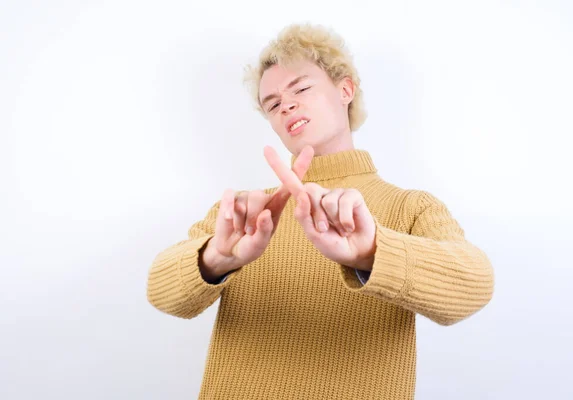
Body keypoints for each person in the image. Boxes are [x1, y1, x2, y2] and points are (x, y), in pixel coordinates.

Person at [146, 23, 495, 400]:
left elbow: (474, 285)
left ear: (346, 89)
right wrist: (216, 258)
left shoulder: (410, 206)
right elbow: (160, 291)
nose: (287, 105)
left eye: (301, 88)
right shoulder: (244, 216)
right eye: (273, 104)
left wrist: (372, 252)